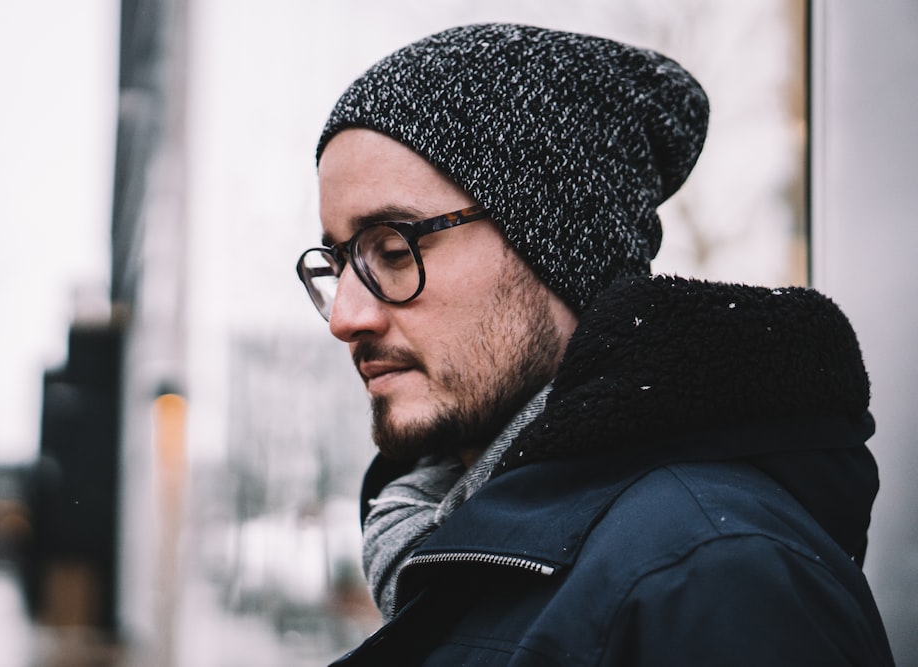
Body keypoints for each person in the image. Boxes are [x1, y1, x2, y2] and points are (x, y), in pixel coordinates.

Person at [295, 23, 895, 666]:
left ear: (557, 249)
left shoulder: (711, 574)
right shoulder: (456, 544)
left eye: (391, 250)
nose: (346, 318)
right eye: (337, 263)